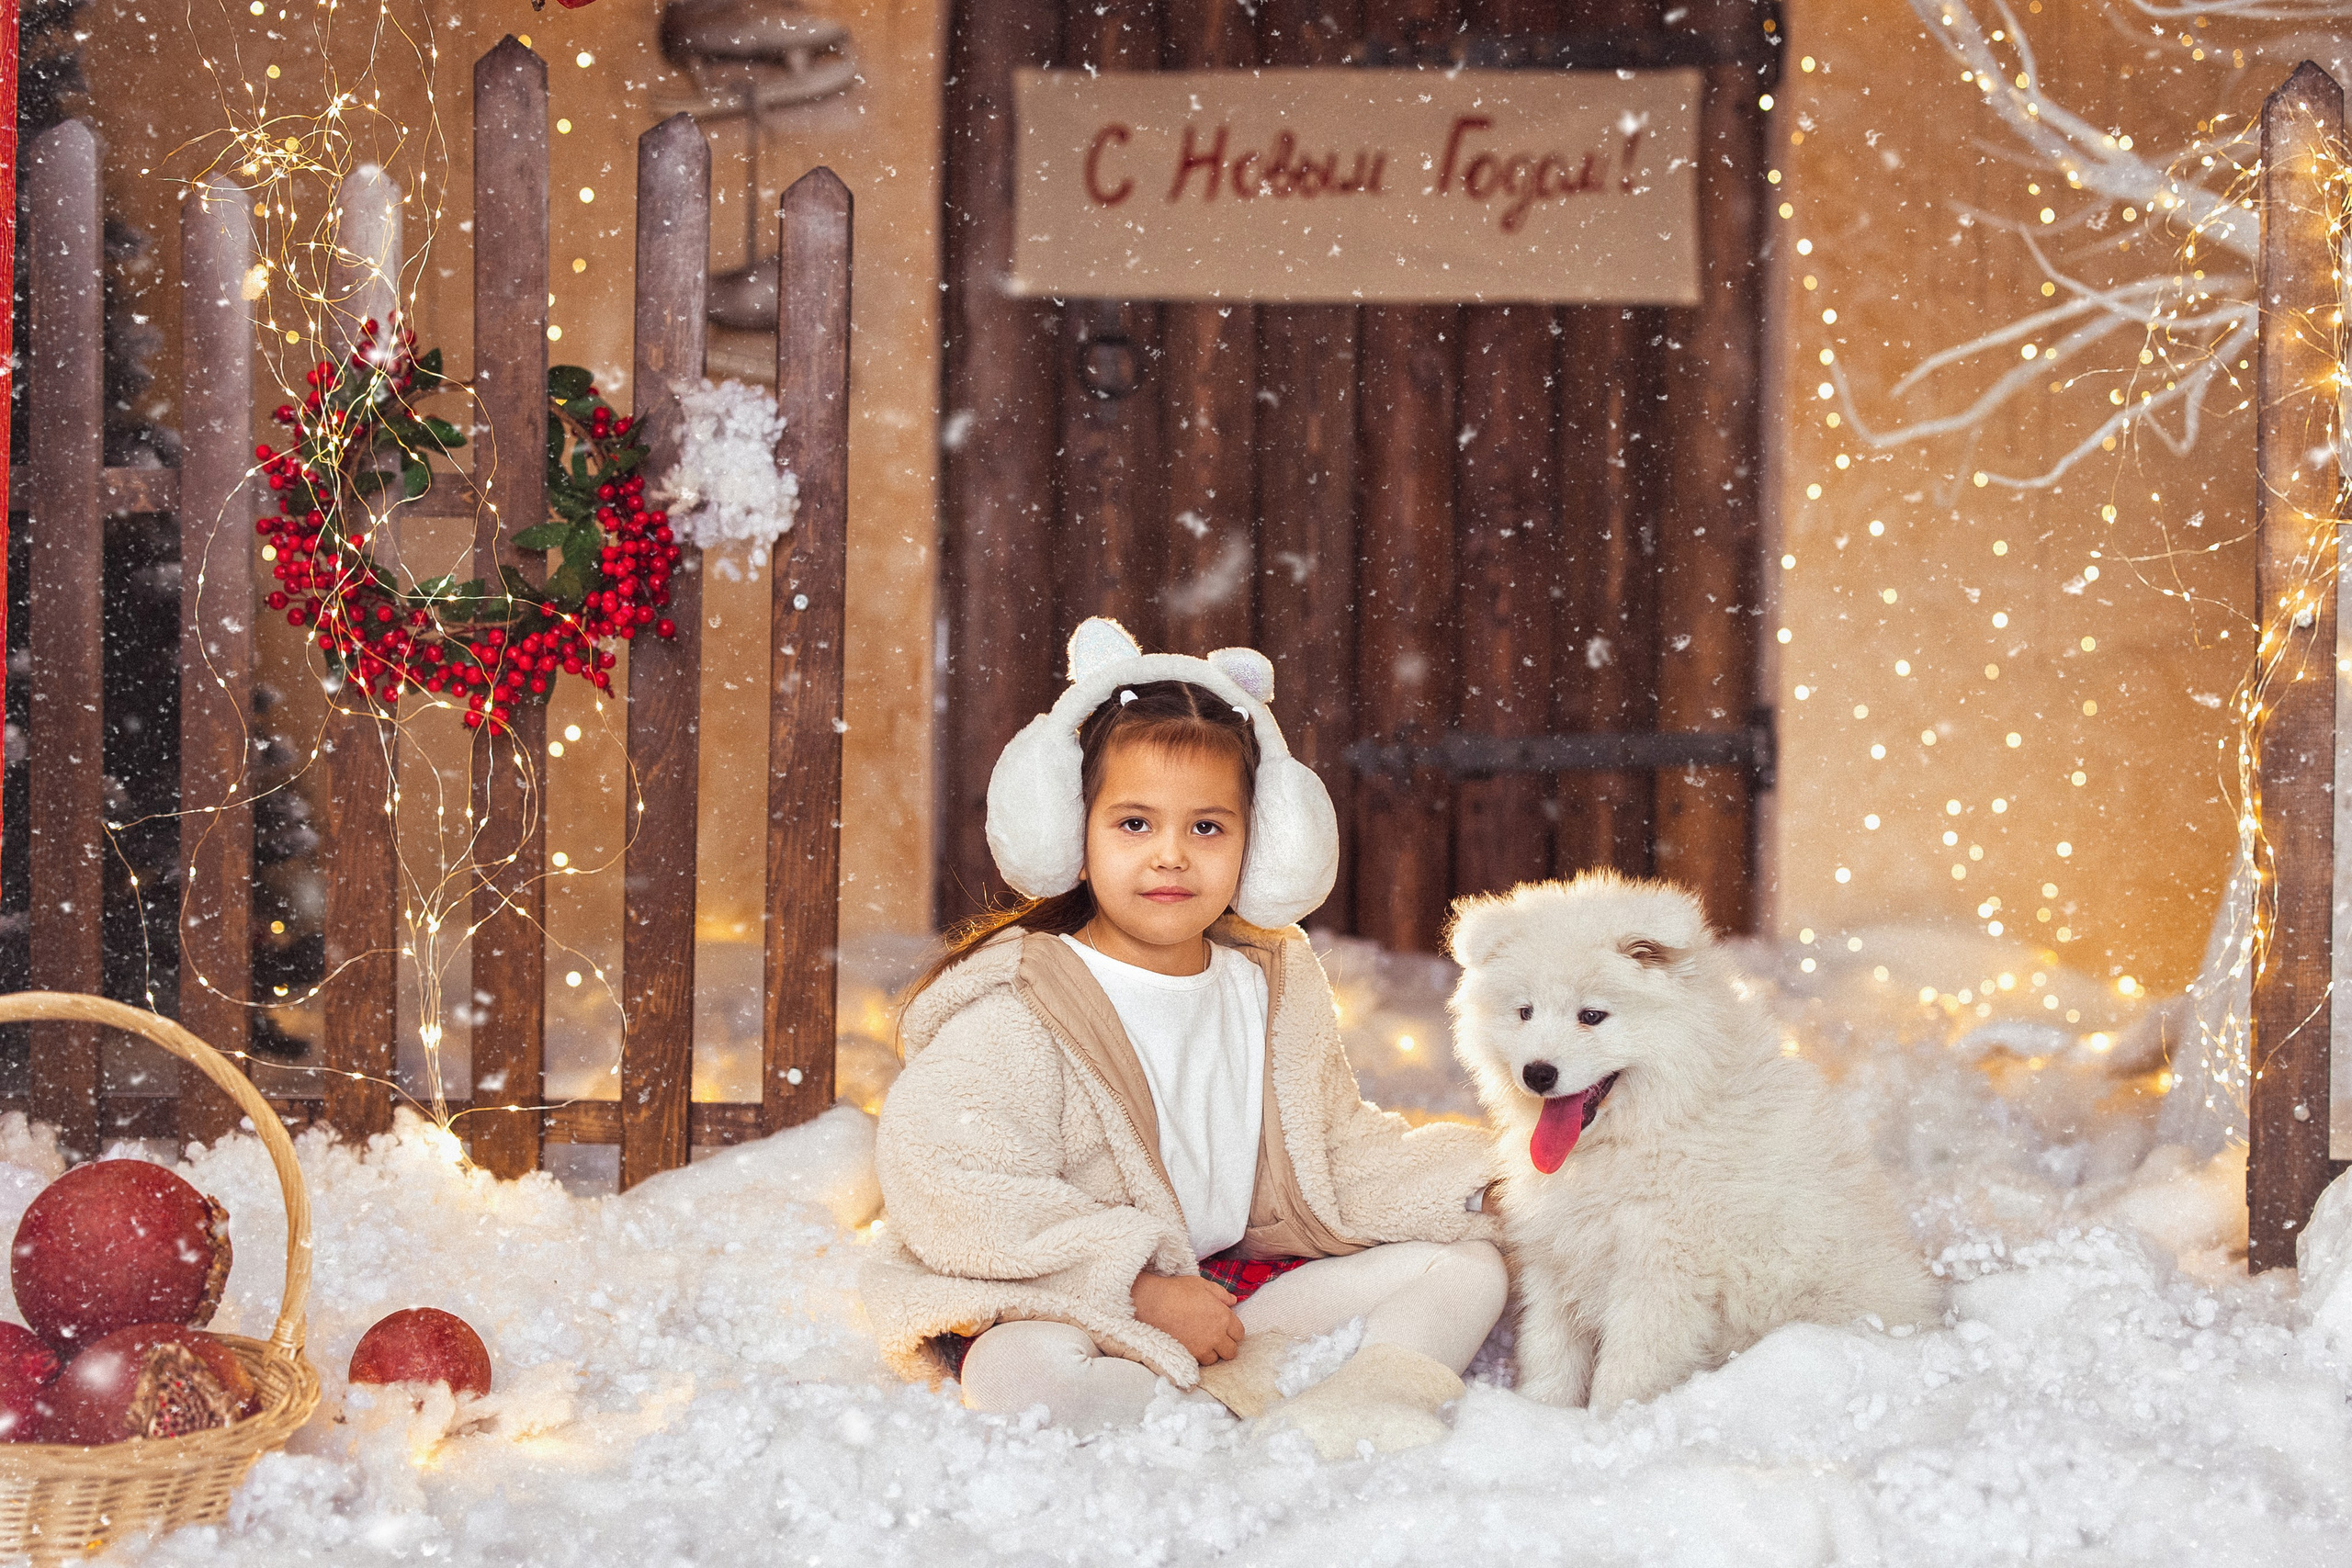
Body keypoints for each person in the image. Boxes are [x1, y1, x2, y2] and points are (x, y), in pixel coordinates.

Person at [861, 617, 1507, 1456]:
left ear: (1257, 846)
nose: (1171, 856)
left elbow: (1332, 1151)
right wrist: (1138, 1288)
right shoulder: (1025, 1004)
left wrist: (1482, 1185)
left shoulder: (1269, 980)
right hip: (1082, 1293)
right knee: (1019, 1374)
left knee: (1466, 1267)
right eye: (1135, 824)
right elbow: (957, 1184)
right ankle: (1209, 1408)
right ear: (1075, 839)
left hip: (1230, 1284)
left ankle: (1366, 1398)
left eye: (1207, 827)